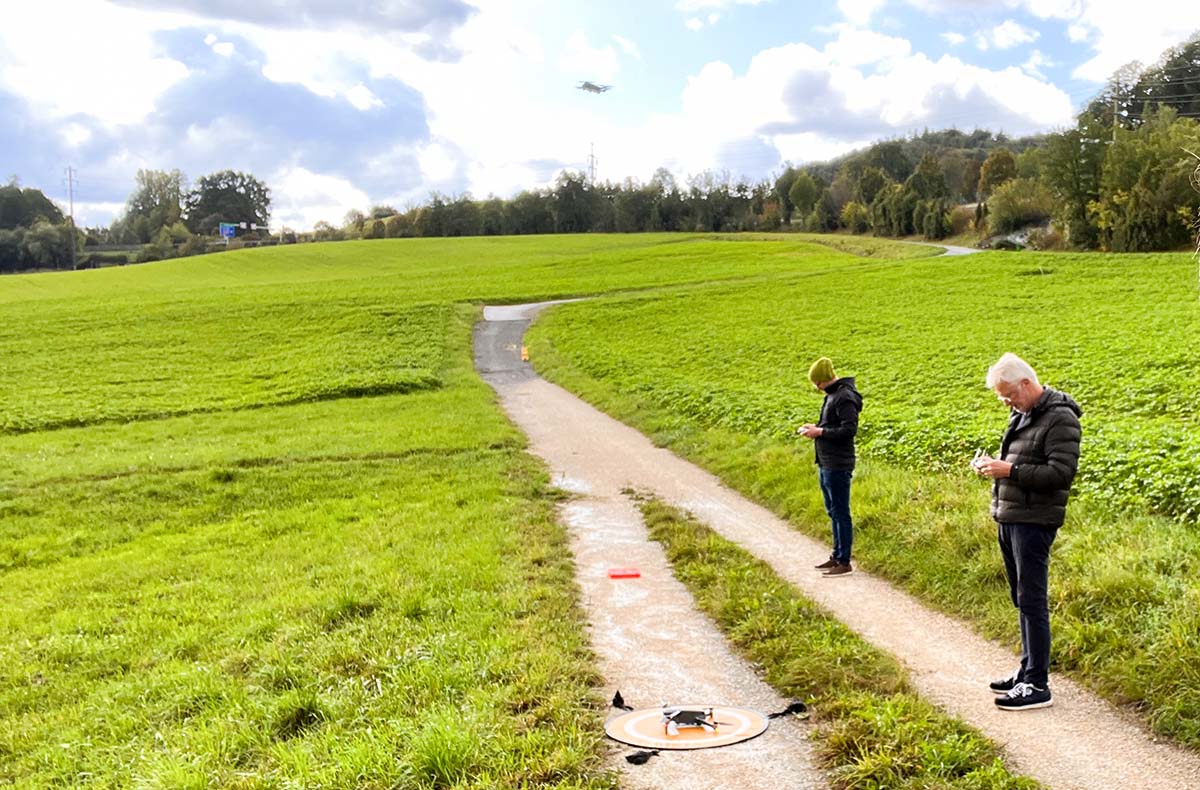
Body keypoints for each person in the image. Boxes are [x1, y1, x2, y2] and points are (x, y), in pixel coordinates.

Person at [972, 352, 1081, 711]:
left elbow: (1059, 474)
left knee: (1033, 600)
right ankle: (1026, 669)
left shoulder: (1060, 418)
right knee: (1021, 597)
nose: (1006, 402)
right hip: (1011, 516)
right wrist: (991, 468)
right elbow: (1019, 462)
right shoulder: (1022, 413)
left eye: (1009, 395)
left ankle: (1037, 685)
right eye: (1002, 398)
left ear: (1026, 383)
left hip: (1035, 520)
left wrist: (1010, 471)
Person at [798, 356, 863, 577]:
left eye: (817, 383)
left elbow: (848, 430)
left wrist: (820, 432)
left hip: (838, 463)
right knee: (832, 511)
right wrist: (816, 427)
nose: (817, 388)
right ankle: (836, 555)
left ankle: (844, 562)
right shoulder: (833, 395)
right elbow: (833, 425)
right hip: (826, 461)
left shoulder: (844, 397)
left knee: (841, 512)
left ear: (824, 379)